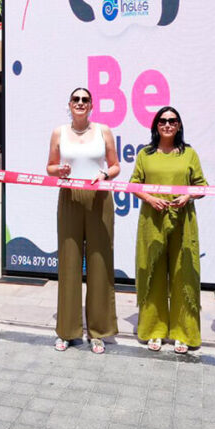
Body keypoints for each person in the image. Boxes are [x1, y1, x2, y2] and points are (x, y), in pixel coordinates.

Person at [46, 87, 121, 354]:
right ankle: (67, 331)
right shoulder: (59, 132)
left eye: (85, 100)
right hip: (69, 198)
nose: (80, 103)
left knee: (100, 264)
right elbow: (50, 167)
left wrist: (104, 175)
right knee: (69, 264)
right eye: (76, 99)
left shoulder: (104, 131)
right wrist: (60, 170)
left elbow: (115, 165)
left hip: (99, 200)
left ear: (91, 105)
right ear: (69, 104)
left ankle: (98, 332)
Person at [130, 106, 207, 354]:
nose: (167, 124)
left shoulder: (189, 154)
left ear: (179, 125)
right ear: (155, 125)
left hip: (183, 221)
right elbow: (134, 184)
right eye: (162, 120)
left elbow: (202, 186)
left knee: (183, 274)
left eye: (173, 120)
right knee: (152, 273)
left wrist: (187, 196)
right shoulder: (145, 154)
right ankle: (154, 330)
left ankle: (183, 333)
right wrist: (151, 199)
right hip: (152, 221)